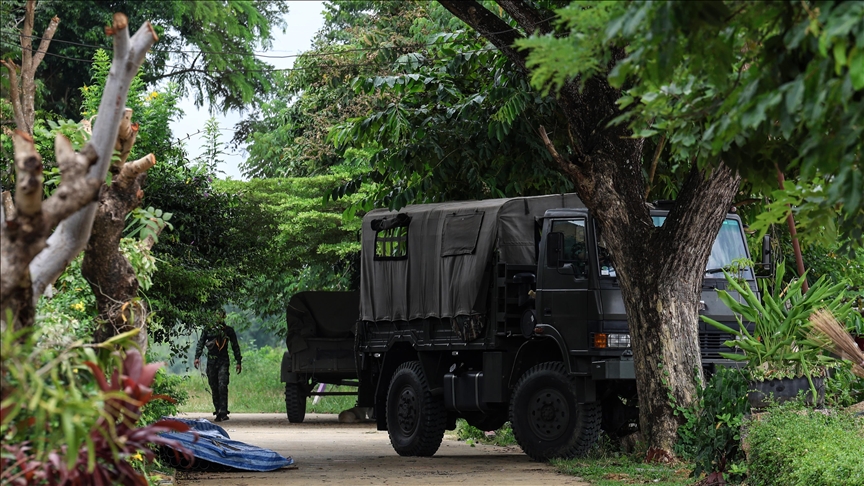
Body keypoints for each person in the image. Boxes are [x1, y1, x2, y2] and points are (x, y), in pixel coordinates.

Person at [194, 311, 242, 422]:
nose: (218, 317)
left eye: (220, 315)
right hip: (211, 361)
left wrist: (238, 361)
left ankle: (223, 411)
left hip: (223, 360)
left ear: (224, 316)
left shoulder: (228, 330)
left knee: (222, 385)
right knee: (214, 386)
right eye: (216, 315)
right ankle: (218, 410)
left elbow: (235, 346)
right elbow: (201, 343)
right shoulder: (208, 330)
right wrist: (197, 357)